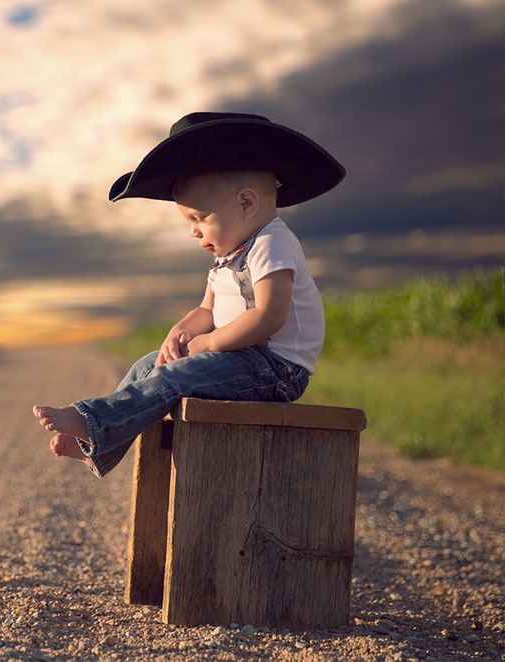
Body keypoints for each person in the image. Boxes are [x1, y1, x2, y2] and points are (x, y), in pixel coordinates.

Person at [33, 112, 345, 477]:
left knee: (172, 378)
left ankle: (93, 421)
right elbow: (207, 309)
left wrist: (210, 344)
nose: (194, 232)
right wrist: (181, 331)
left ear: (246, 204)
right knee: (149, 366)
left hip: (276, 370)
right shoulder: (227, 257)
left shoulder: (272, 242)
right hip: (240, 361)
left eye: (198, 218)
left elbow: (269, 316)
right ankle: (96, 444)